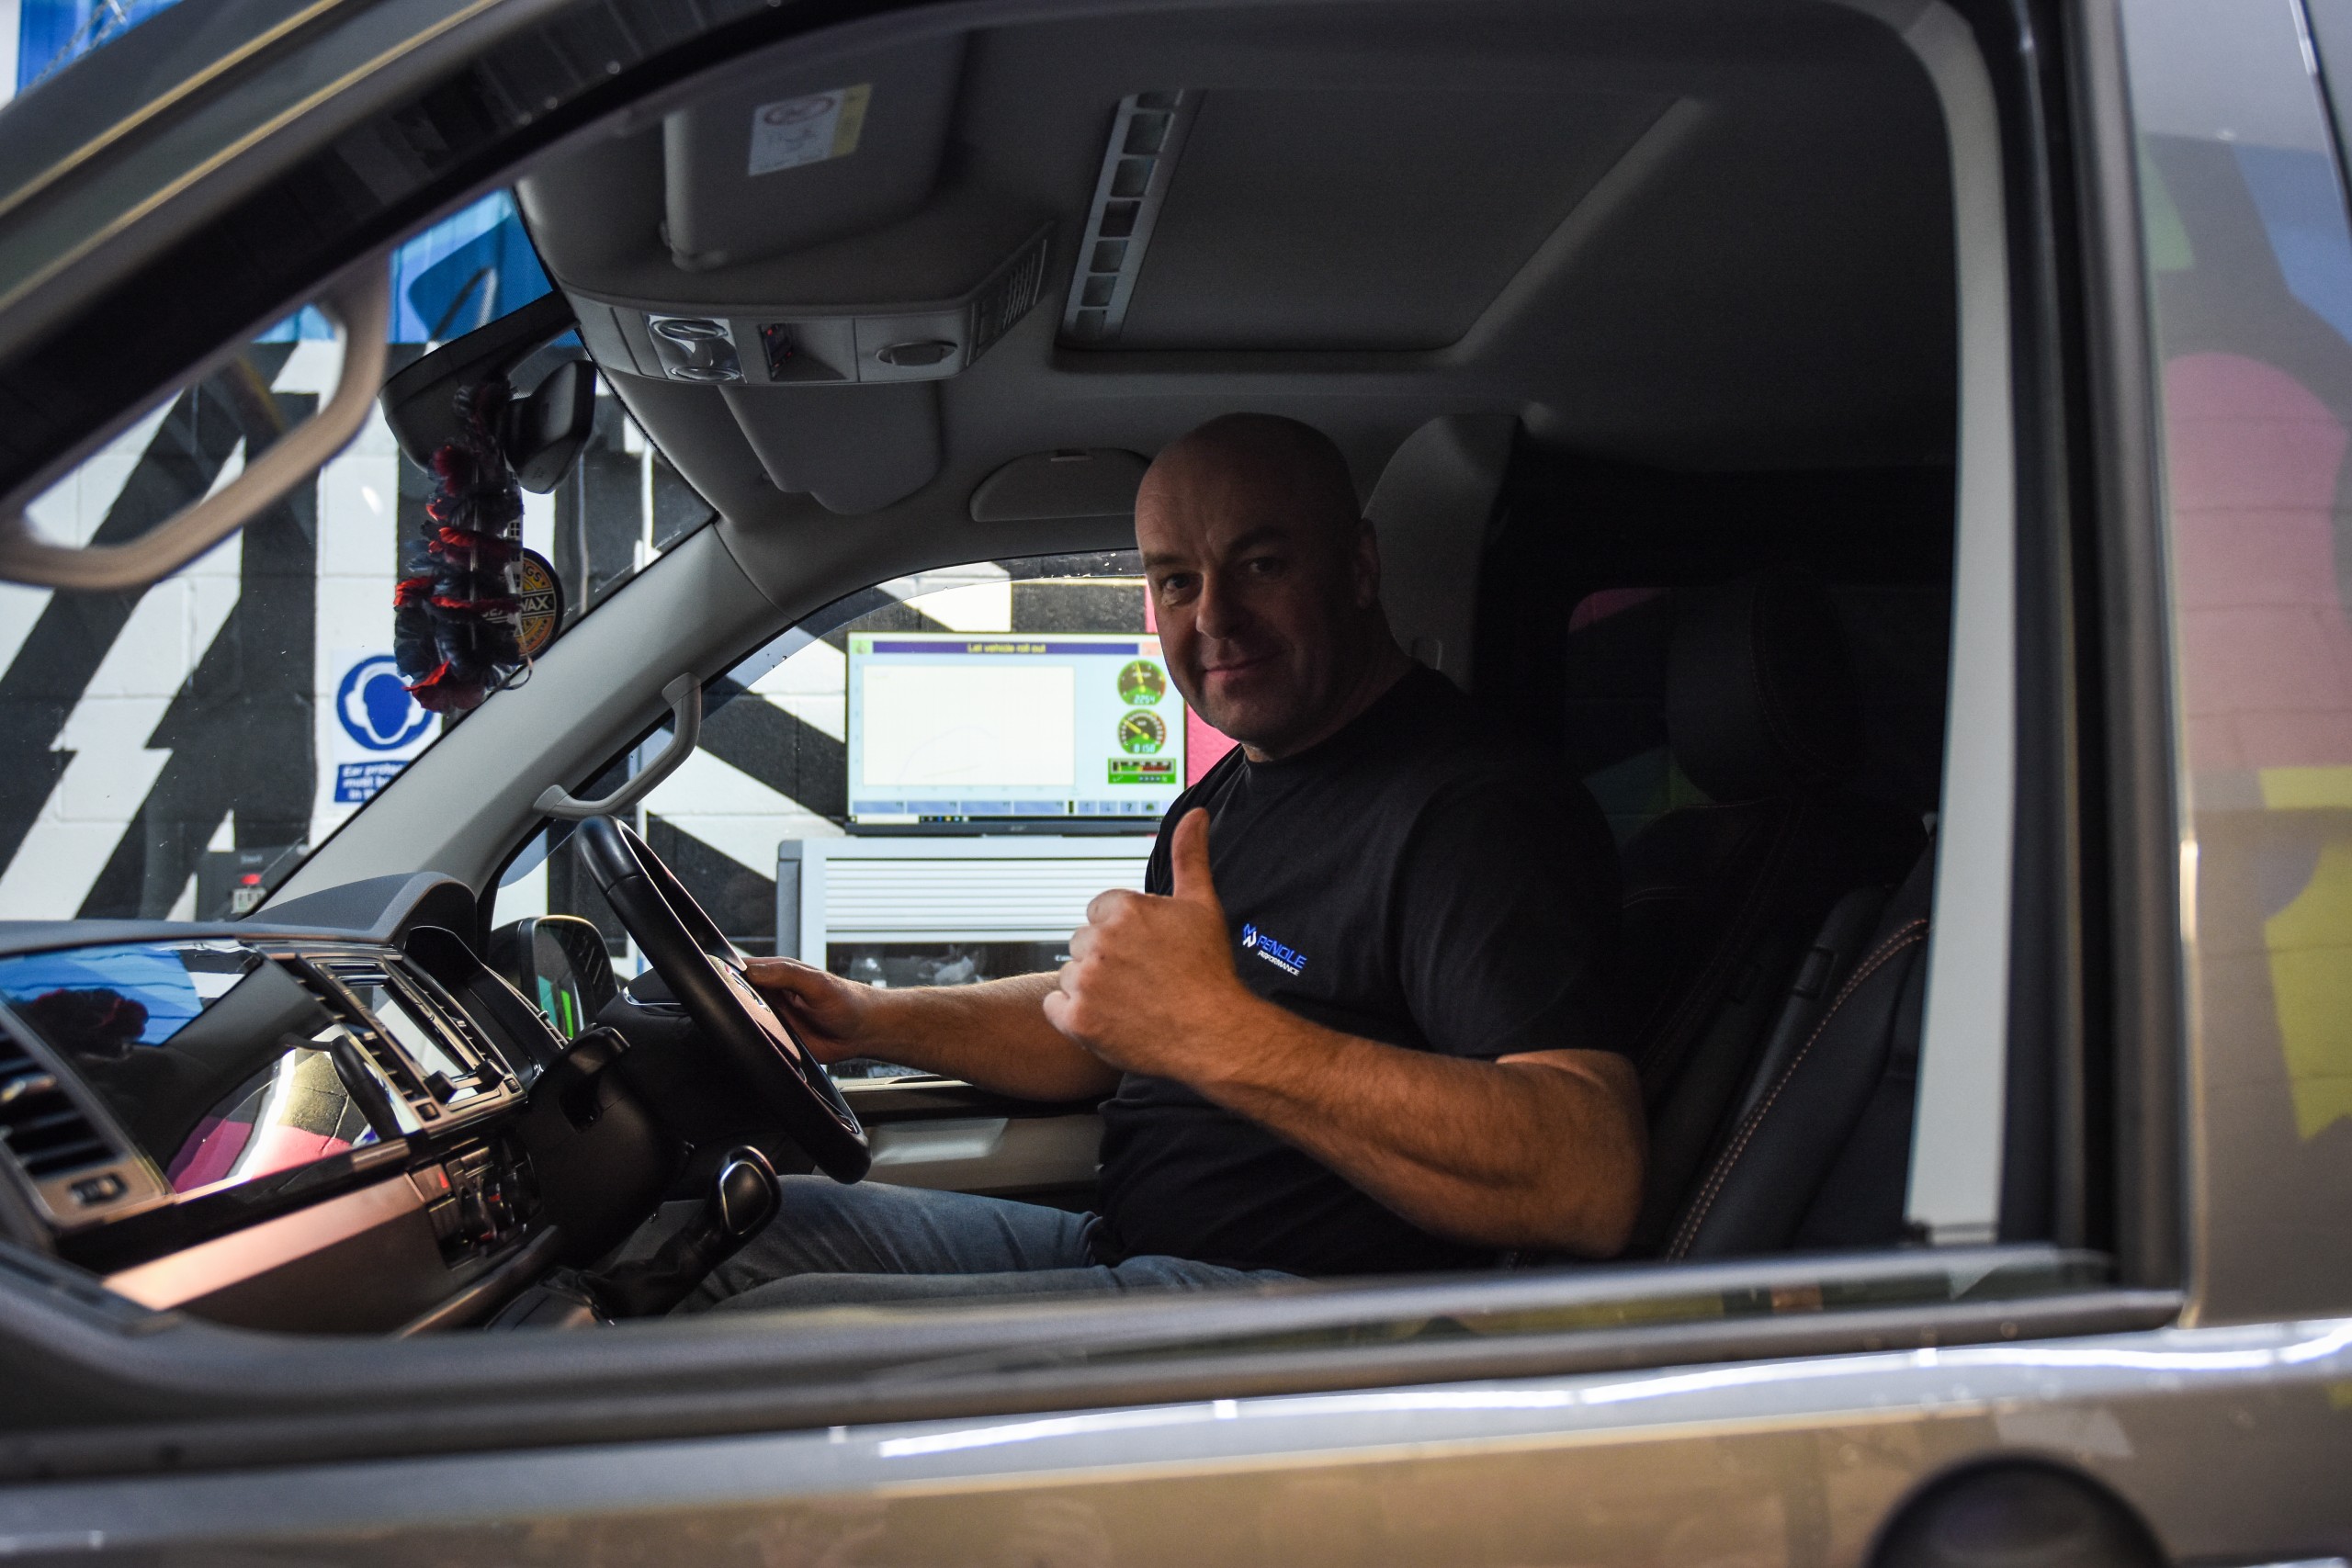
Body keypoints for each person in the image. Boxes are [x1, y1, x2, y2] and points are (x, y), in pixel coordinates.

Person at [686, 412, 1642, 1312]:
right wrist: (871, 1017)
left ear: (1357, 568)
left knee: (783, 1336)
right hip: (1131, 1253)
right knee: (744, 1229)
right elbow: (1120, 1026)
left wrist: (1219, 1033)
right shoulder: (1227, 797)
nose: (1215, 616)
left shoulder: (1471, 810)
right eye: (1178, 581)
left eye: (1260, 564)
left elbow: (1587, 1178)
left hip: (1304, 1318)